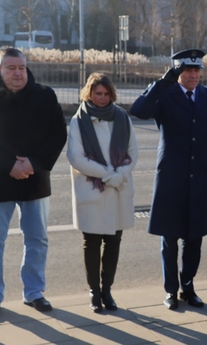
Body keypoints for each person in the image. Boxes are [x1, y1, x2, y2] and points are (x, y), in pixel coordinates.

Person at [0, 48, 67, 318]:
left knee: (37, 239)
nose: (18, 73)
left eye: (22, 67)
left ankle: (34, 292)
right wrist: (8, 166)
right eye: (11, 68)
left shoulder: (45, 95)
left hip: (34, 179)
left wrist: (33, 164)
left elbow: (58, 134)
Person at [130, 49, 207, 310]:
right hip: (171, 177)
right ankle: (171, 290)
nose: (193, 74)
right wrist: (162, 83)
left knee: (194, 238)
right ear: (177, 72)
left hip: (200, 177)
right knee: (169, 239)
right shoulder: (165, 94)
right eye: (187, 70)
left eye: (197, 70)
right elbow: (138, 110)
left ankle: (188, 286)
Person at [67, 72, 138, 313]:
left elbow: (132, 152)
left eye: (107, 94)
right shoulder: (79, 120)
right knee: (92, 242)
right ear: (89, 93)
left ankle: (107, 290)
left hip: (117, 188)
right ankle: (94, 292)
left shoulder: (122, 117)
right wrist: (109, 174)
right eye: (98, 93)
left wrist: (121, 174)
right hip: (93, 189)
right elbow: (75, 157)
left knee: (114, 241)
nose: (102, 98)